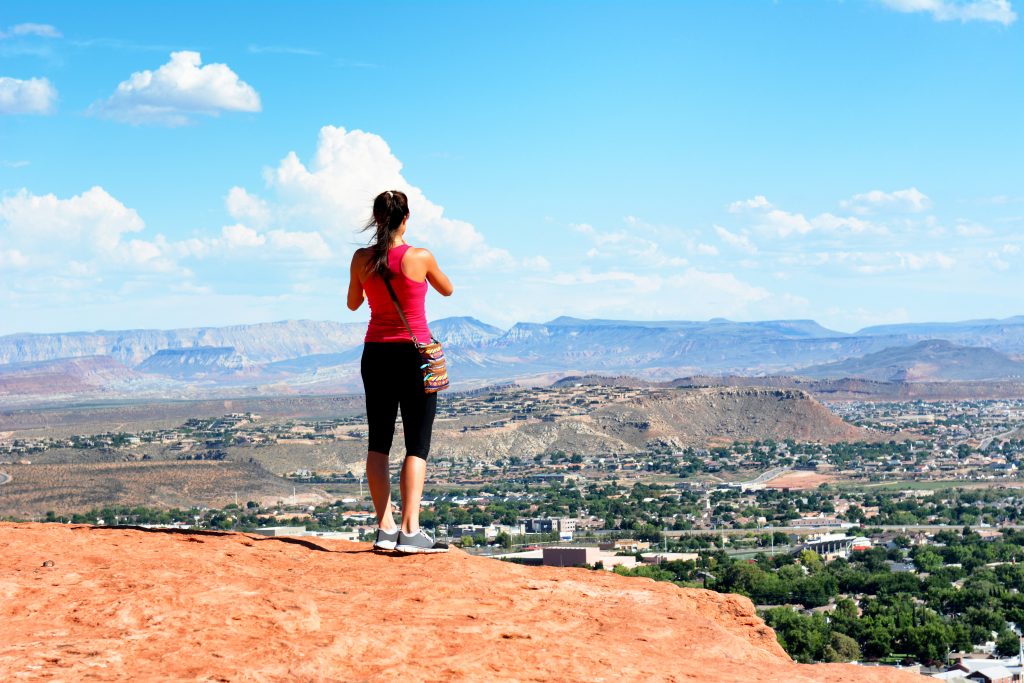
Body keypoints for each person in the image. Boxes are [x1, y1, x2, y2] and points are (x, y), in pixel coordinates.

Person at [347, 189, 454, 554]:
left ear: (376, 220)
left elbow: (353, 303)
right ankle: (410, 530)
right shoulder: (420, 257)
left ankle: (385, 527)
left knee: (378, 442)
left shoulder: (361, 259)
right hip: (414, 355)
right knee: (417, 443)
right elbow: (447, 289)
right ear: (406, 219)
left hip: (375, 354)